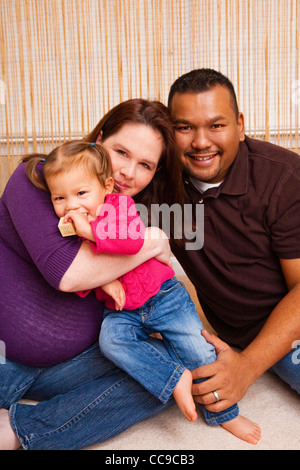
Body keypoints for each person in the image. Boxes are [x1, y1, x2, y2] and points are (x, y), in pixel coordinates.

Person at [28, 140, 260, 444]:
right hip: (121, 310)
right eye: (60, 197)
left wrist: (90, 232)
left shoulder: (118, 207)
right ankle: (174, 377)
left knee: (195, 347)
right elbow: (73, 273)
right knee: (111, 341)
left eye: (81, 193)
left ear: (106, 186)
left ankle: (225, 414)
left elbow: (131, 242)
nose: (71, 205)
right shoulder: (66, 228)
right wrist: (102, 281)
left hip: (163, 297)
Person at [0, 99, 181, 450]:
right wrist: (154, 241)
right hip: (6, 361)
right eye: (121, 152)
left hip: (70, 367)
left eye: (145, 164)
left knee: (174, 372)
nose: (129, 172)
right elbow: (67, 274)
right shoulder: (38, 178)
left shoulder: (125, 215)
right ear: (99, 140)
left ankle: (21, 429)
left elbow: (144, 294)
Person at [167, 68, 300, 415]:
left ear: (240, 125)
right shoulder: (158, 185)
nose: (200, 142)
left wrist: (247, 367)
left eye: (216, 125)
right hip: (241, 329)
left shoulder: (283, 178)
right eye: (184, 127)